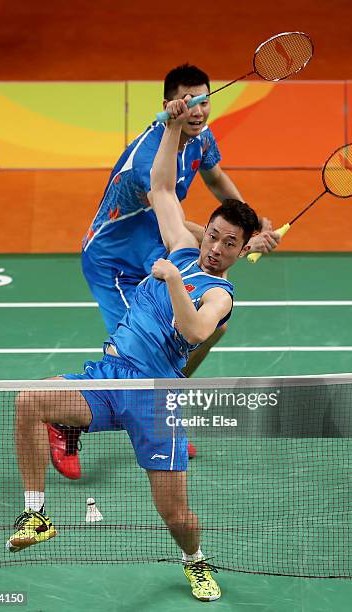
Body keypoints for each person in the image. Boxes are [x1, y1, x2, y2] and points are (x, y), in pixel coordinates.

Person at [7, 96, 267, 602]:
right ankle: (36, 514)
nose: (214, 247)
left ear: (241, 249)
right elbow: (163, 187)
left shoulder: (220, 294)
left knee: (176, 515)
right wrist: (171, 127)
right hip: (110, 376)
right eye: (212, 235)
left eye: (228, 243)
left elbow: (194, 333)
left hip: (155, 398)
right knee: (28, 401)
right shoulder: (180, 244)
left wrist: (172, 279)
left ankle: (194, 560)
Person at [47, 63, 280, 480]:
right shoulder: (146, 161)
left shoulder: (201, 137)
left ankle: (160, 402)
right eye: (189, 103)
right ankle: (67, 422)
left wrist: (253, 224)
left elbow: (217, 179)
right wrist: (238, 243)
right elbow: (184, 221)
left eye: (205, 101)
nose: (199, 111)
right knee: (139, 346)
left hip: (154, 248)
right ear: (170, 105)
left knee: (210, 330)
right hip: (116, 259)